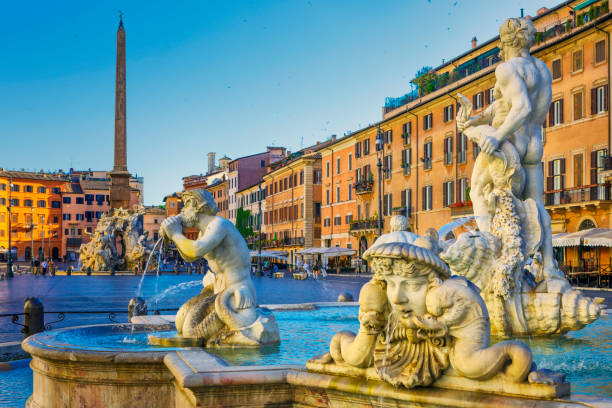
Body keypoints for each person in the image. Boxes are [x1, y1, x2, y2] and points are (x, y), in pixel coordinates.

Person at [457, 17, 562, 284]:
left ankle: (490, 253)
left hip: (509, 141)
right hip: (534, 144)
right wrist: (475, 119)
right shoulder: (542, 69)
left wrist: (498, 136)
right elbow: (502, 106)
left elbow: (521, 107)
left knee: (478, 190)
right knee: (537, 205)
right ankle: (549, 267)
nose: (499, 50)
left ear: (506, 41)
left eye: (501, 43)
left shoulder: (506, 69)